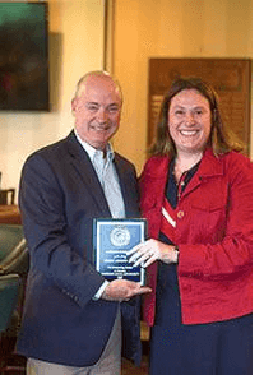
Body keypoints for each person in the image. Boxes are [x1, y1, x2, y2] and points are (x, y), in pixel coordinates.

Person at [129, 78, 253, 375]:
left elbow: (246, 248)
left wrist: (176, 254)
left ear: (213, 118)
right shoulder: (153, 170)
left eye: (198, 112)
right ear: (166, 119)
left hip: (233, 317)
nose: (189, 121)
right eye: (179, 112)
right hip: (169, 314)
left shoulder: (238, 168)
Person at [17, 70, 151, 375]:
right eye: (93, 106)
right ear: (74, 106)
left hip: (110, 333)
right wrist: (102, 288)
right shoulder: (44, 165)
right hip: (58, 333)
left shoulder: (127, 171)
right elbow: (46, 248)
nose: (102, 116)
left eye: (112, 107)